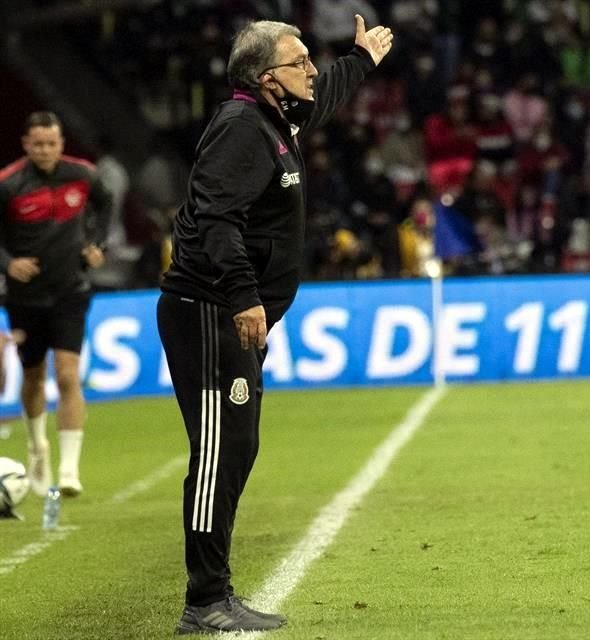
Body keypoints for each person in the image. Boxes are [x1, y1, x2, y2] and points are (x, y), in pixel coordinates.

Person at [156, 17, 392, 635]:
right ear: (267, 80)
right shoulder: (241, 130)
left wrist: (360, 60)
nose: (313, 70)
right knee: (219, 453)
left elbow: (325, 95)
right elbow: (214, 221)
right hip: (209, 311)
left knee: (236, 448)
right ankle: (206, 600)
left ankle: (213, 593)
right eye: (301, 62)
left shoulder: (273, 120)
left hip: (227, 312)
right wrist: (242, 297)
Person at [0, 111, 111, 498]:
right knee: (32, 375)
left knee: (67, 374)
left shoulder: (82, 175)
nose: (45, 150)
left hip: (71, 290)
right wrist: (8, 263)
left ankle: (68, 469)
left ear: (61, 143)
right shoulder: (8, 183)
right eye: (38, 144)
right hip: (26, 297)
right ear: (26, 145)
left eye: (52, 143)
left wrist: (98, 245)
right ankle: (37, 447)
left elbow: (106, 204)